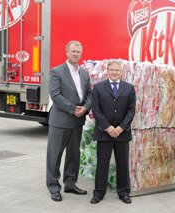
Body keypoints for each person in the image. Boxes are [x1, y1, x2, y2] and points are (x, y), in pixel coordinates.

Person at [46, 40, 92, 202]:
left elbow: (89, 95)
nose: (75, 54)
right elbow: (55, 95)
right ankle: (53, 187)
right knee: (55, 155)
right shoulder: (56, 71)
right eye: (73, 51)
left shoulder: (84, 73)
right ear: (67, 52)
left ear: (81, 54)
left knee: (74, 155)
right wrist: (73, 109)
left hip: (77, 121)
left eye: (78, 52)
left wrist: (85, 108)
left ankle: (70, 183)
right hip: (61, 120)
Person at [90, 60, 136, 204]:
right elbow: (96, 109)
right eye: (112, 70)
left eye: (117, 70)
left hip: (122, 133)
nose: (115, 72)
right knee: (102, 164)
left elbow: (131, 110)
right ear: (107, 71)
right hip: (104, 132)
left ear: (121, 71)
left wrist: (121, 127)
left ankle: (123, 192)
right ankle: (99, 193)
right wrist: (108, 127)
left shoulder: (129, 88)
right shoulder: (98, 88)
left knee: (122, 163)